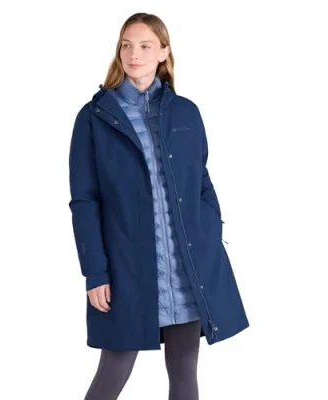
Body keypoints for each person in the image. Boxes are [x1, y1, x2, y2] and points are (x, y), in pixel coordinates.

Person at [68, 12, 249, 400]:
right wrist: (95, 272)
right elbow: (85, 201)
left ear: (164, 52)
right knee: (114, 370)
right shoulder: (94, 118)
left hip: (187, 268)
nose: (134, 54)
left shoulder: (185, 113)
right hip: (127, 268)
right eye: (127, 45)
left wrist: (209, 230)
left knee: (184, 371)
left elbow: (201, 180)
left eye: (145, 46)